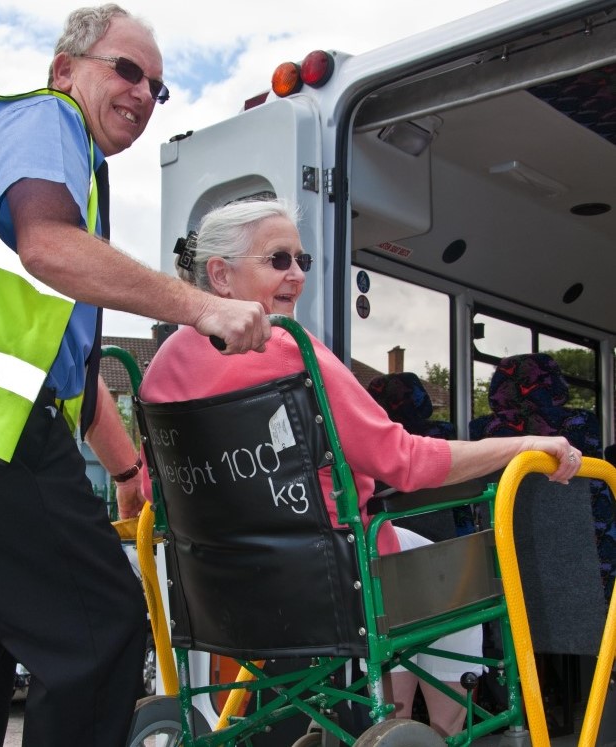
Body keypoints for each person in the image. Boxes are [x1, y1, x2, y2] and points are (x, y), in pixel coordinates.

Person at [0, 5, 271, 747]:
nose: (143, 93)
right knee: (101, 628)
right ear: (65, 70)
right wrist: (201, 307)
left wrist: (124, 466)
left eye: (157, 86)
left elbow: (66, 373)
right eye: (126, 70)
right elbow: (47, 245)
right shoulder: (44, 120)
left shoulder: (71, 168)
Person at [137, 197, 583, 738]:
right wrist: (522, 447)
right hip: (334, 582)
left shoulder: (158, 372)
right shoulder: (289, 348)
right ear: (220, 276)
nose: (297, 276)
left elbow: (152, 488)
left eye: (302, 261)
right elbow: (406, 462)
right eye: (279, 260)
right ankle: (439, 730)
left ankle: (396, 717)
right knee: (468, 573)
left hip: (217, 595)